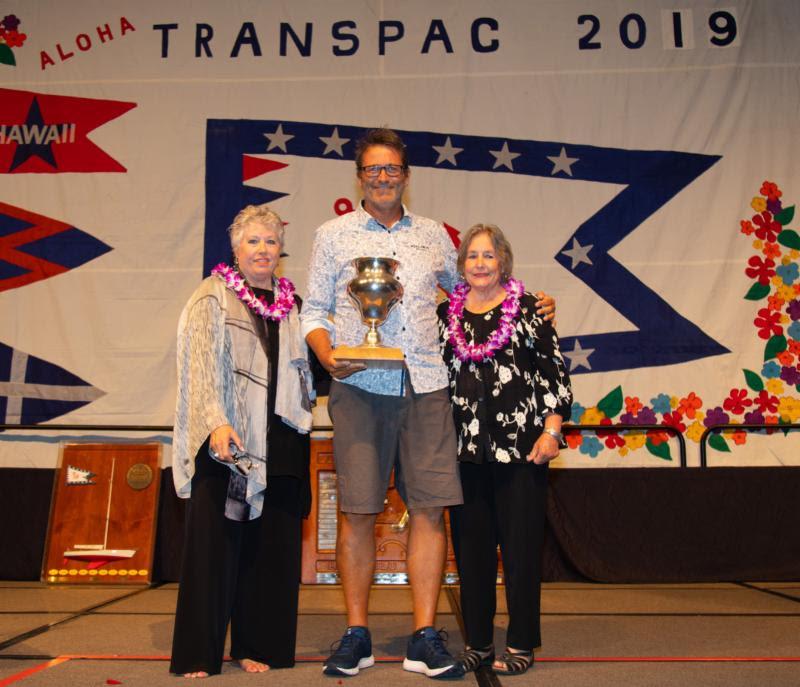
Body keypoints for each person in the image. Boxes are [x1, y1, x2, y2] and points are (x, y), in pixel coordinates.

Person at [301, 128, 556, 679]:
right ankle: (356, 634)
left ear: (406, 175)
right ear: (360, 176)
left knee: (430, 511)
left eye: (392, 169)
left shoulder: (435, 238)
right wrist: (326, 355)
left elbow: (472, 287)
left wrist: (527, 300)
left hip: (427, 388)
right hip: (359, 386)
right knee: (358, 511)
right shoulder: (332, 236)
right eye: (373, 169)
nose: (383, 177)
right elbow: (313, 310)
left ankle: (423, 635)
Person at [170, 204, 315, 678]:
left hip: (284, 438)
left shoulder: (293, 306)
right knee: (216, 548)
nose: (263, 250)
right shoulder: (211, 296)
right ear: (236, 249)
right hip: (229, 438)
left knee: (270, 551)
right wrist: (215, 421)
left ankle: (258, 645)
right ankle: (198, 653)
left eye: (271, 241)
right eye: (253, 241)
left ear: (280, 251)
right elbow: (200, 366)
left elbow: (311, 372)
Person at [436, 223, 572, 676]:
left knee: (519, 551)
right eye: (472, 256)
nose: (479, 263)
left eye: (488, 256)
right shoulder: (445, 318)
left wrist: (552, 431)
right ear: (462, 266)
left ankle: (520, 641)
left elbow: (554, 375)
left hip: (522, 452)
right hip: (465, 453)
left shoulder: (530, 310)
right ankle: (476, 640)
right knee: (472, 552)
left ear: (503, 263)